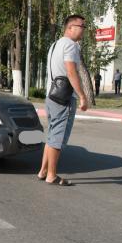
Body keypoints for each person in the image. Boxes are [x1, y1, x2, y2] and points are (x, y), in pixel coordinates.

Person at [38, 14, 89, 186]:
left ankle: (43, 170)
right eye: (81, 26)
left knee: (52, 134)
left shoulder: (55, 44)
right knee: (57, 137)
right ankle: (52, 175)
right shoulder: (71, 45)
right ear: (70, 27)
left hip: (51, 95)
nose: (83, 30)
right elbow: (71, 71)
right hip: (63, 97)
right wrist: (82, 96)